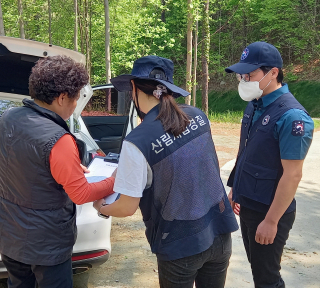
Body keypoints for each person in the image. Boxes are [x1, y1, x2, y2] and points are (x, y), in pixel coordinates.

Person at [94, 55, 239, 288]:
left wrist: (101, 208)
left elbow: (126, 207)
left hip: (179, 244)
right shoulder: (198, 116)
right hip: (220, 232)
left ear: (133, 87)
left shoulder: (137, 141)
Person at [0, 55, 115, 288]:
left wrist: (67, 169)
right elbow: (81, 194)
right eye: (75, 99)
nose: (76, 105)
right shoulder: (59, 139)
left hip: (7, 230)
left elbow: (23, 163)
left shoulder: (8, 118)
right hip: (45, 243)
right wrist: (114, 181)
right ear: (62, 98)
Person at [224, 42, 314, 288]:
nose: (244, 80)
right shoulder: (255, 104)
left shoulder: (292, 117)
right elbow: (247, 153)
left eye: (249, 75)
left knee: (267, 278)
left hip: (269, 210)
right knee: (257, 270)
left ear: (273, 73)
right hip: (249, 204)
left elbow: (292, 175)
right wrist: (236, 189)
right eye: (242, 75)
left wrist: (272, 221)